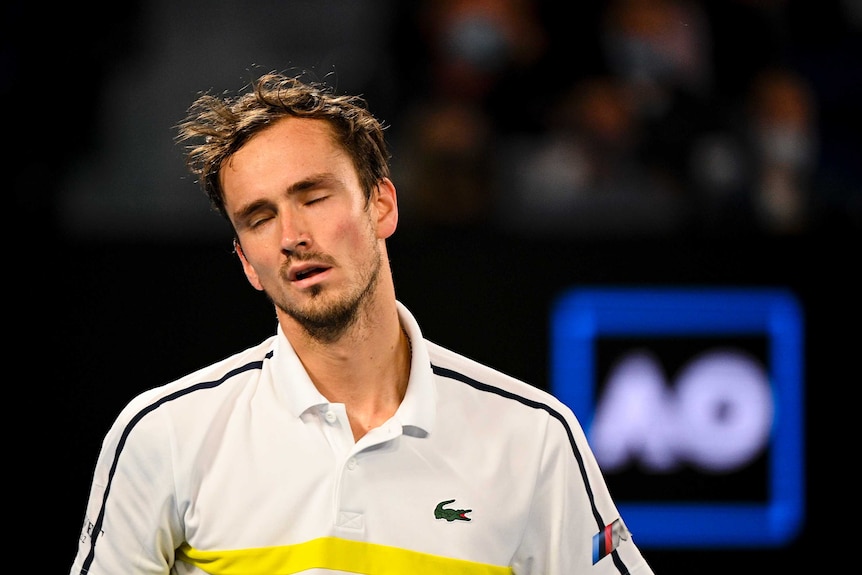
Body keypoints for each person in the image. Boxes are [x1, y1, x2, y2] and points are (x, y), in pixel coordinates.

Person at [69, 71, 656, 575]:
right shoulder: (162, 436)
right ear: (247, 261)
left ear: (381, 205)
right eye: (259, 216)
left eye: (313, 196)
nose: (292, 236)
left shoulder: (534, 438)